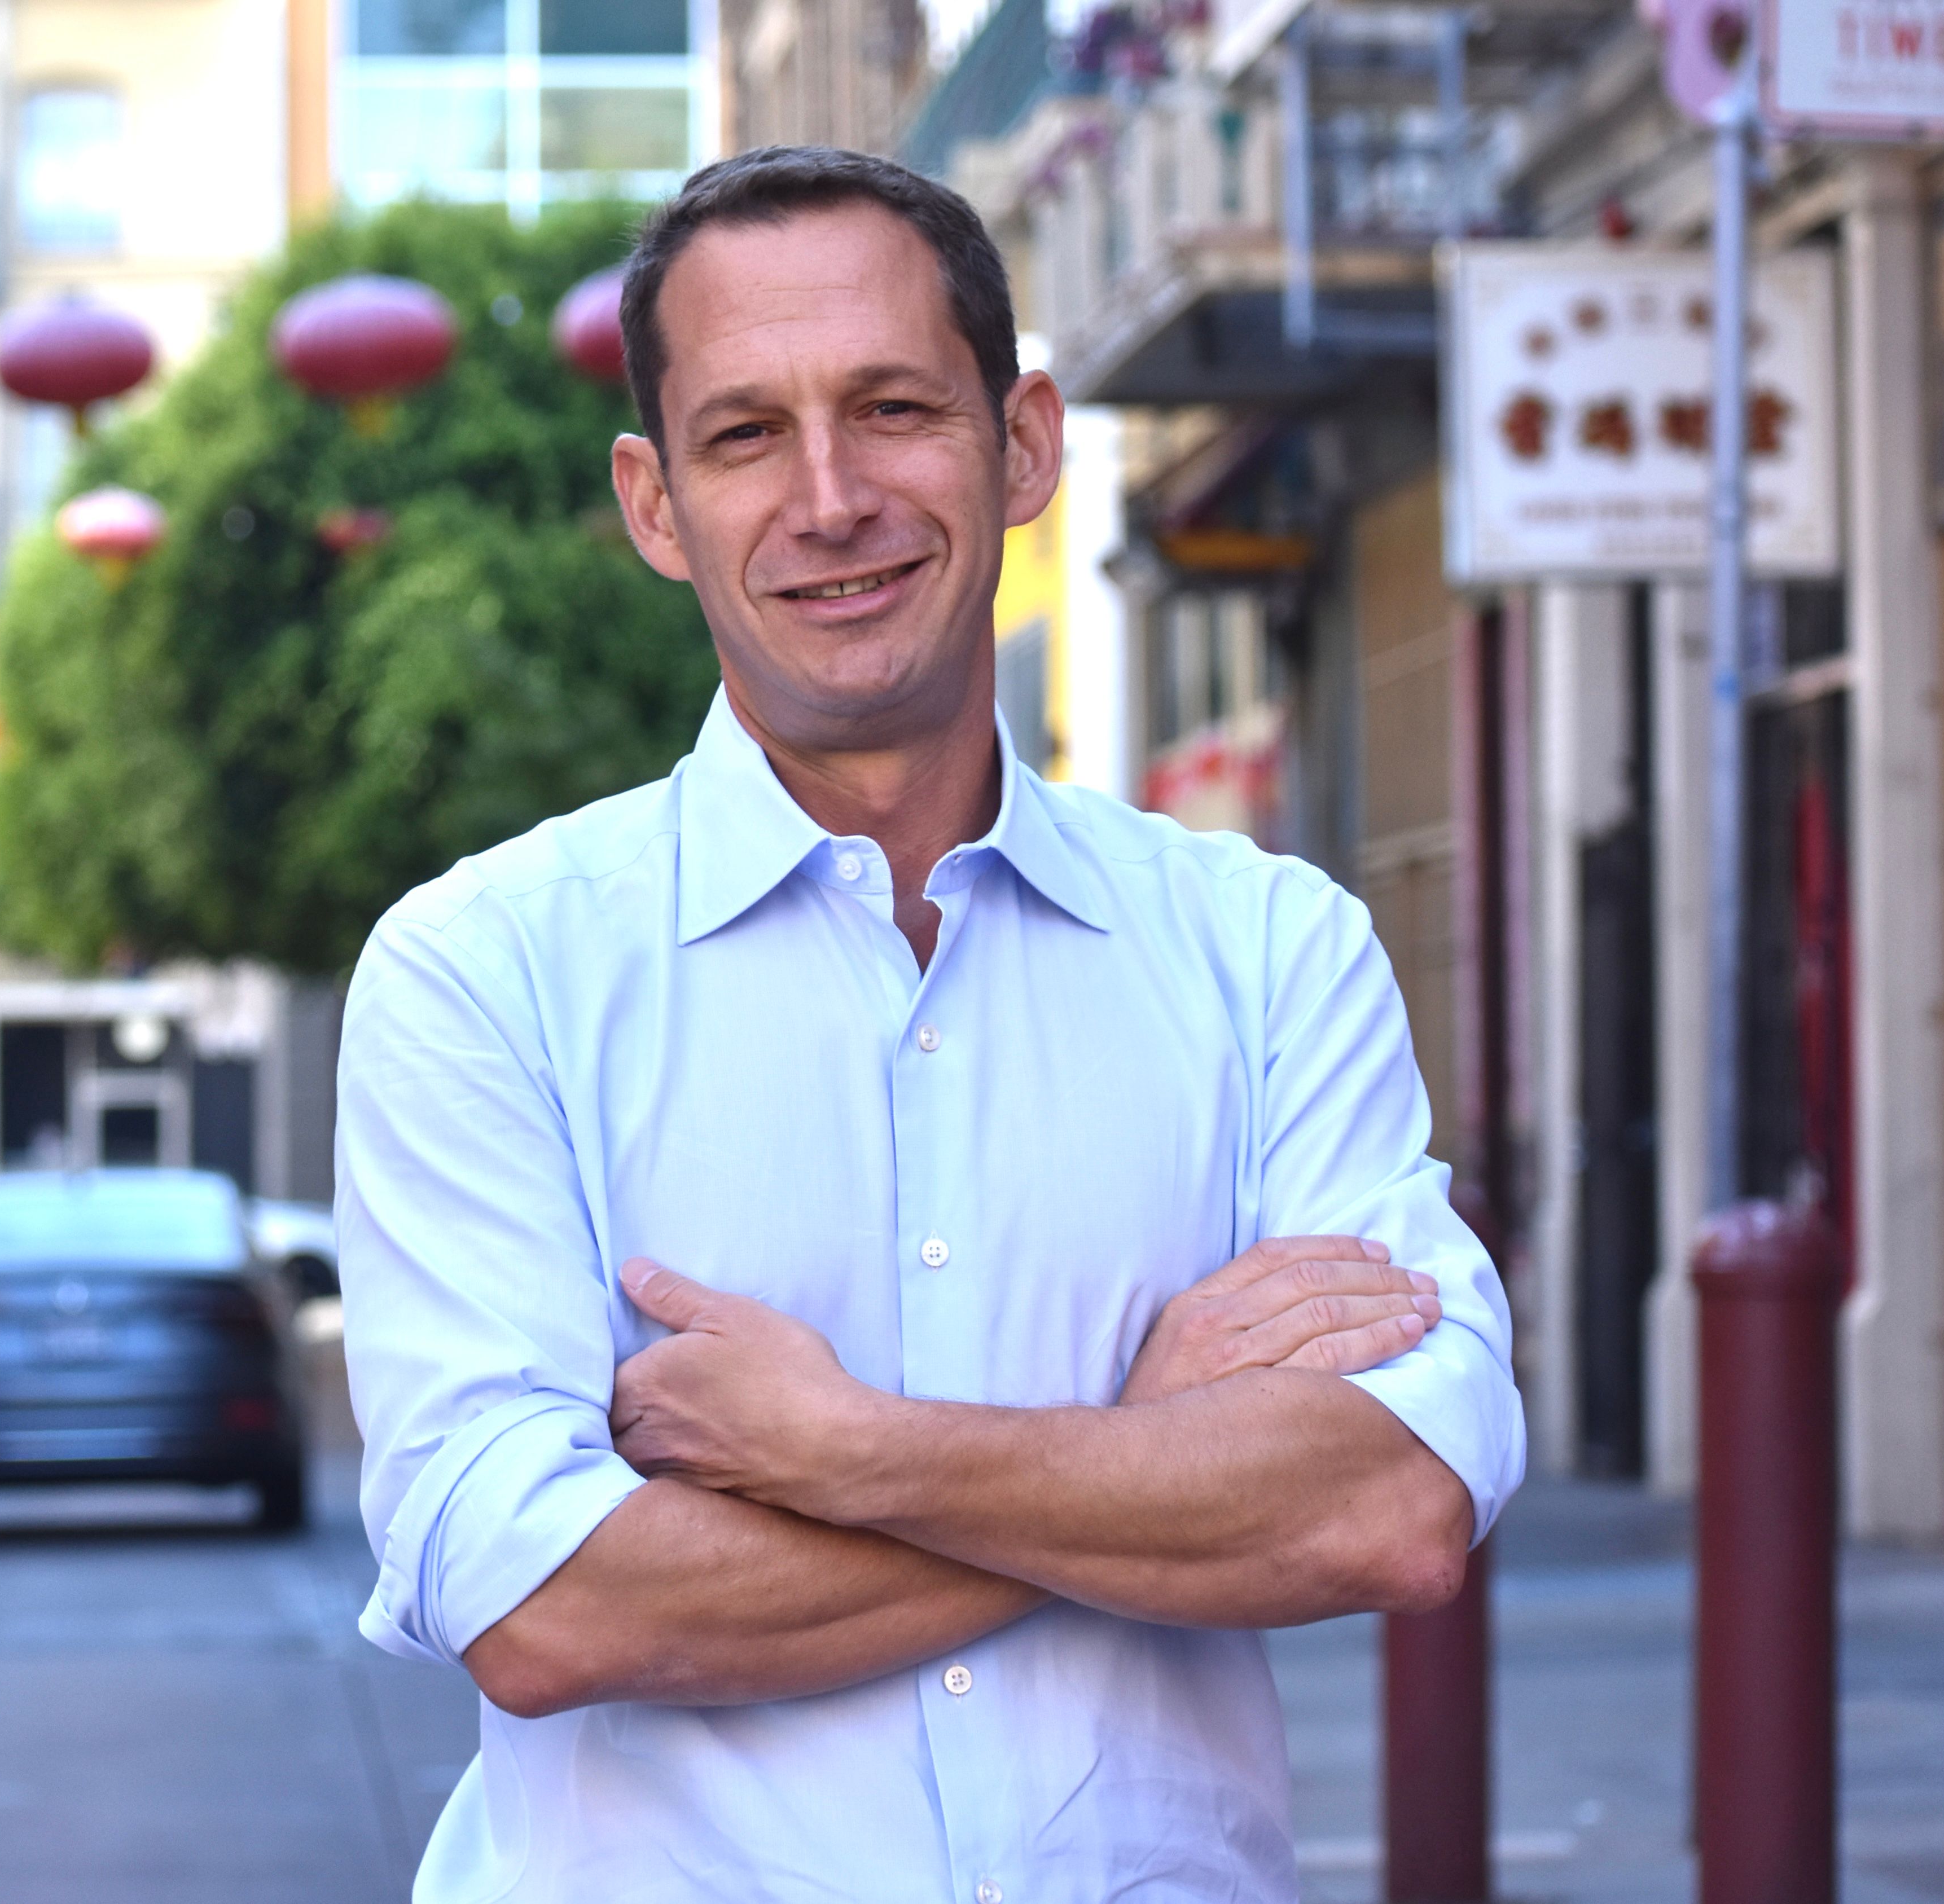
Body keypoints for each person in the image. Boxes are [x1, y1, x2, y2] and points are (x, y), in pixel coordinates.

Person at [336, 146, 1523, 1901]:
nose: (830, 497)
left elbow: (1396, 1504)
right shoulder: (482, 973)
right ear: (657, 507)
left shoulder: (1268, 949)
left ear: (1022, 444)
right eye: (747, 434)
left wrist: (848, 1456)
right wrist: (1140, 1445)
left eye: (893, 407)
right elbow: (545, 1605)